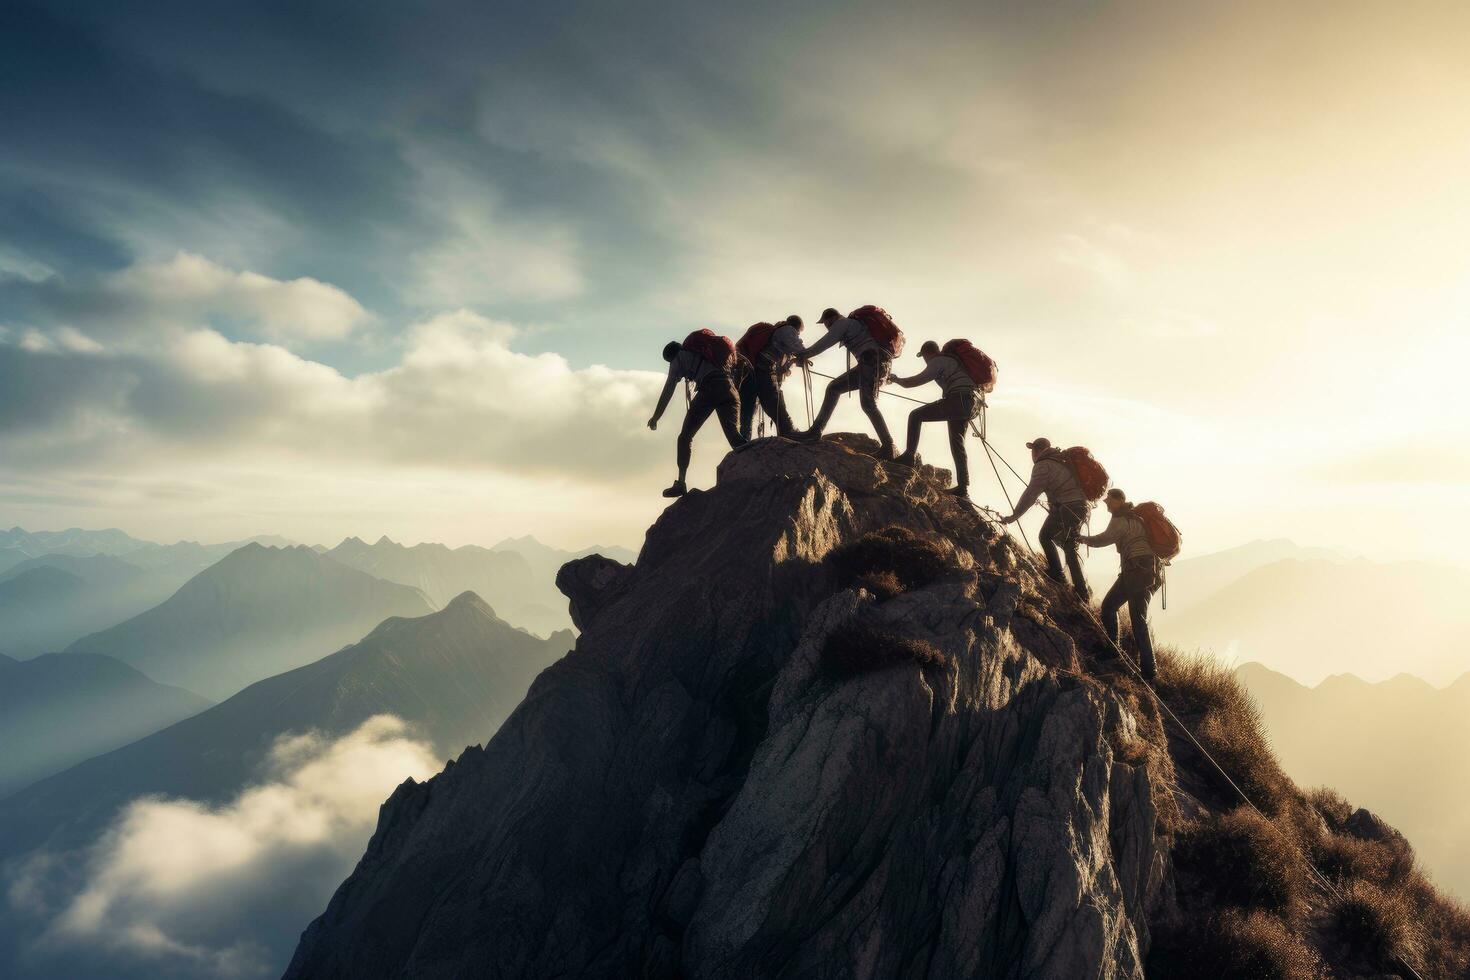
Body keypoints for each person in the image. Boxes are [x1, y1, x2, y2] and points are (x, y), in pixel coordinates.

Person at [1078, 488, 1161, 679]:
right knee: (1123, 611)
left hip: (1136, 571)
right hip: (1150, 572)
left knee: (1124, 612)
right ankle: (1140, 665)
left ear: (1119, 500)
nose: (1106, 503)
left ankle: (1147, 670)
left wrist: (1083, 539)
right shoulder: (1136, 518)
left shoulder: (1120, 519)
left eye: (1110, 500)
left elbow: (1103, 539)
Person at [647, 337, 747, 498]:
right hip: (729, 388)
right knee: (735, 438)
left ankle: (680, 483)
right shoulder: (703, 353)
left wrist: (656, 417)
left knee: (685, 437)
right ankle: (761, 458)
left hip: (709, 389)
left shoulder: (677, 360)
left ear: (670, 357)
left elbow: (668, 391)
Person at [793, 307, 896, 457]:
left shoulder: (842, 324)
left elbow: (824, 343)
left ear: (831, 319)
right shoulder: (853, 325)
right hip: (876, 362)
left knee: (867, 403)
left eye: (825, 323)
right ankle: (815, 431)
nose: (826, 327)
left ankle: (888, 446)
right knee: (835, 389)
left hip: (871, 360)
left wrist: (804, 354)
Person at [1000, 437, 1092, 600]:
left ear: (1036, 451)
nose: (1032, 455)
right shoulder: (1060, 459)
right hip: (1076, 506)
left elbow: (1030, 494)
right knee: (1054, 538)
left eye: (1032, 451)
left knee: (1064, 543)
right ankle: (1064, 578)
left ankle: (1077, 590)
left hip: (1070, 507)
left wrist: (1014, 516)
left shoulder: (1043, 466)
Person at [890, 340, 980, 498]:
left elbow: (913, 382)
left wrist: (896, 379)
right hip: (971, 402)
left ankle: (909, 457)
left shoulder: (938, 361)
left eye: (923, 357)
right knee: (957, 442)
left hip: (958, 400)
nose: (924, 361)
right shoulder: (954, 362)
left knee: (915, 415)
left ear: (927, 353)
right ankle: (963, 488)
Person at [738, 315, 804, 440]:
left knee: (748, 409)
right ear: (797, 328)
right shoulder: (788, 330)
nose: (798, 335)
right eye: (799, 332)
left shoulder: (774, 333)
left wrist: (792, 362)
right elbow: (800, 349)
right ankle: (787, 430)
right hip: (762, 369)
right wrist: (803, 357)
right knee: (774, 399)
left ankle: (744, 442)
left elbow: (779, 367)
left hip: (746, 372)